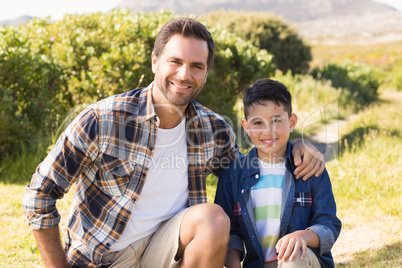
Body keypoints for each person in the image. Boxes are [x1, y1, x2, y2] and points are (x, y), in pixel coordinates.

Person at [22, 18, 325, 268]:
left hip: (168, 254)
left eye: (196, 65)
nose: (184, 74)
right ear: (155, 61)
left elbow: (247, 172)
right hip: (103, 257)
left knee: (213, 220)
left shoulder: (213, 128)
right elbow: (40, 194)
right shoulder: (103, 120)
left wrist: (295, 147)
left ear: (206, 73)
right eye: (175, 61)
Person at [215, 79, 341, 268]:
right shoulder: (232, 175)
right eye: (258, 122)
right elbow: (229, 230)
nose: (268, 131)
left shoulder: (310, 168)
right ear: (246, 126)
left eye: (276, 120)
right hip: (257, 264)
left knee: (291, 260)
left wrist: (302, 236)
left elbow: (328, 225)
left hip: (302, 261)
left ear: (291, 122)